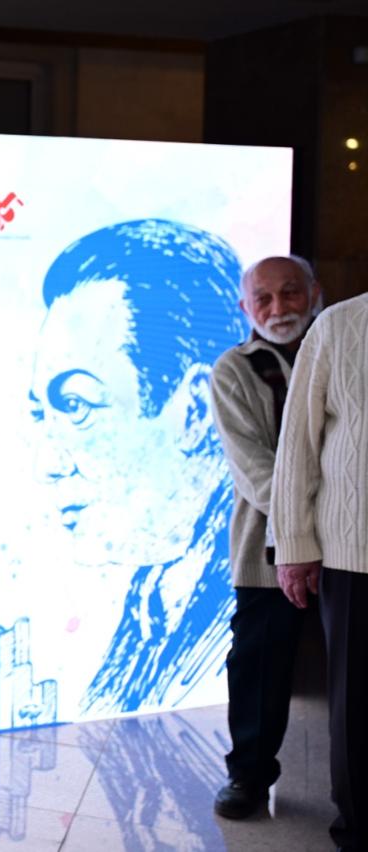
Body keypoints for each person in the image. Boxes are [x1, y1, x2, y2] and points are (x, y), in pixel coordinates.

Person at [30, 218, 246, 713]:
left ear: (196, 410)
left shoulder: (236, 600)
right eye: (42, 414)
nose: (48, 464)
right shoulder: (152, 603)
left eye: (77, 405)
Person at [208, 255, 321, 819]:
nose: (279, 308)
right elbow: (254, 469)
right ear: (245, 308)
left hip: (349, 546)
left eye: (291, 293)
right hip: (267, 548)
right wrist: (311, 526)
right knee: (258, 666)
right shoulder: (234, 370)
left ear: (315, 294)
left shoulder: (339, 353)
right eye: (265, 298)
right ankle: (248, 777)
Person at [273, 291, 368, 851]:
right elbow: (297, 446)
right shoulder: (339, 324)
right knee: (357, 708)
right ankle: (358, 830)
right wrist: (293, 544)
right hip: (356, 555)